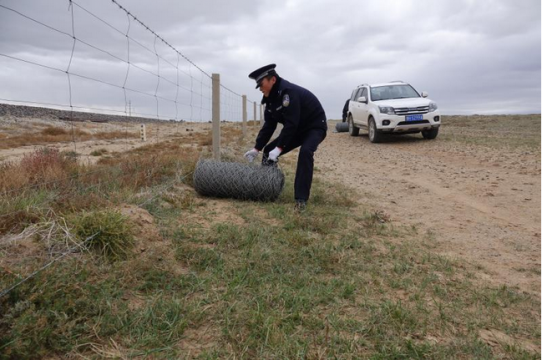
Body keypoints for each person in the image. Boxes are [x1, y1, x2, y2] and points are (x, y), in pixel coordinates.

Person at [244, 64, 327, 211]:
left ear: (273, 80)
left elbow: (291, 123)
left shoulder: (289, 93)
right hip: (297, 129)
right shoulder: (269, 99)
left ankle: (301, 200)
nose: (260, 88)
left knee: (305, 152)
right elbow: (269, 126)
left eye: (261, 84)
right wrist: (257, 148)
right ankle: (267, 189)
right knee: (268, 150)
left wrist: (280, 147)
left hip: (314, 126)